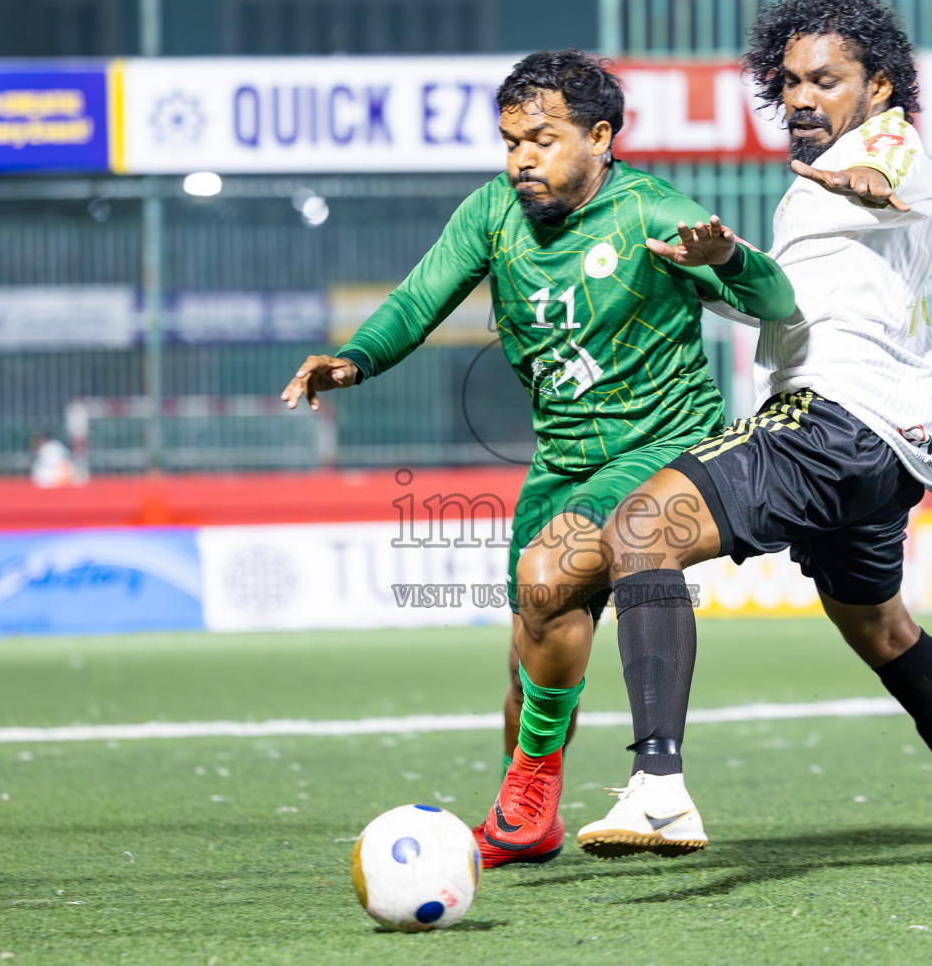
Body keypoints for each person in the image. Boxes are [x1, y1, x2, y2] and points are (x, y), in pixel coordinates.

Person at [576, 0, 932, 865]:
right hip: (891, 445)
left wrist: (861, 179)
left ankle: (658, 789)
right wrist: (725, 263)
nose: (801, 97)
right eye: (790, 80)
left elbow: (894, 180)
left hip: (834, 423)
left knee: (641, 532)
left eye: (826, 80)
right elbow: (798, 305)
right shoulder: (813, 188)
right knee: (881, 629)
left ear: (878, 86)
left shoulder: (886, 146)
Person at [281, 49, 796, 867]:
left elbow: (778, 303)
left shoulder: (650, 213)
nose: (522, 158)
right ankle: (530, 809)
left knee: (547, 576)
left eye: (543, 139)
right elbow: (420, 298)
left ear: (599, 137)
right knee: (533, 639)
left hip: (662, 446)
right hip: (563, 458)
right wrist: (355, 360)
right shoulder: (493, 212)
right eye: (510, 140)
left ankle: (546, 786)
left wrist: (726, 260)